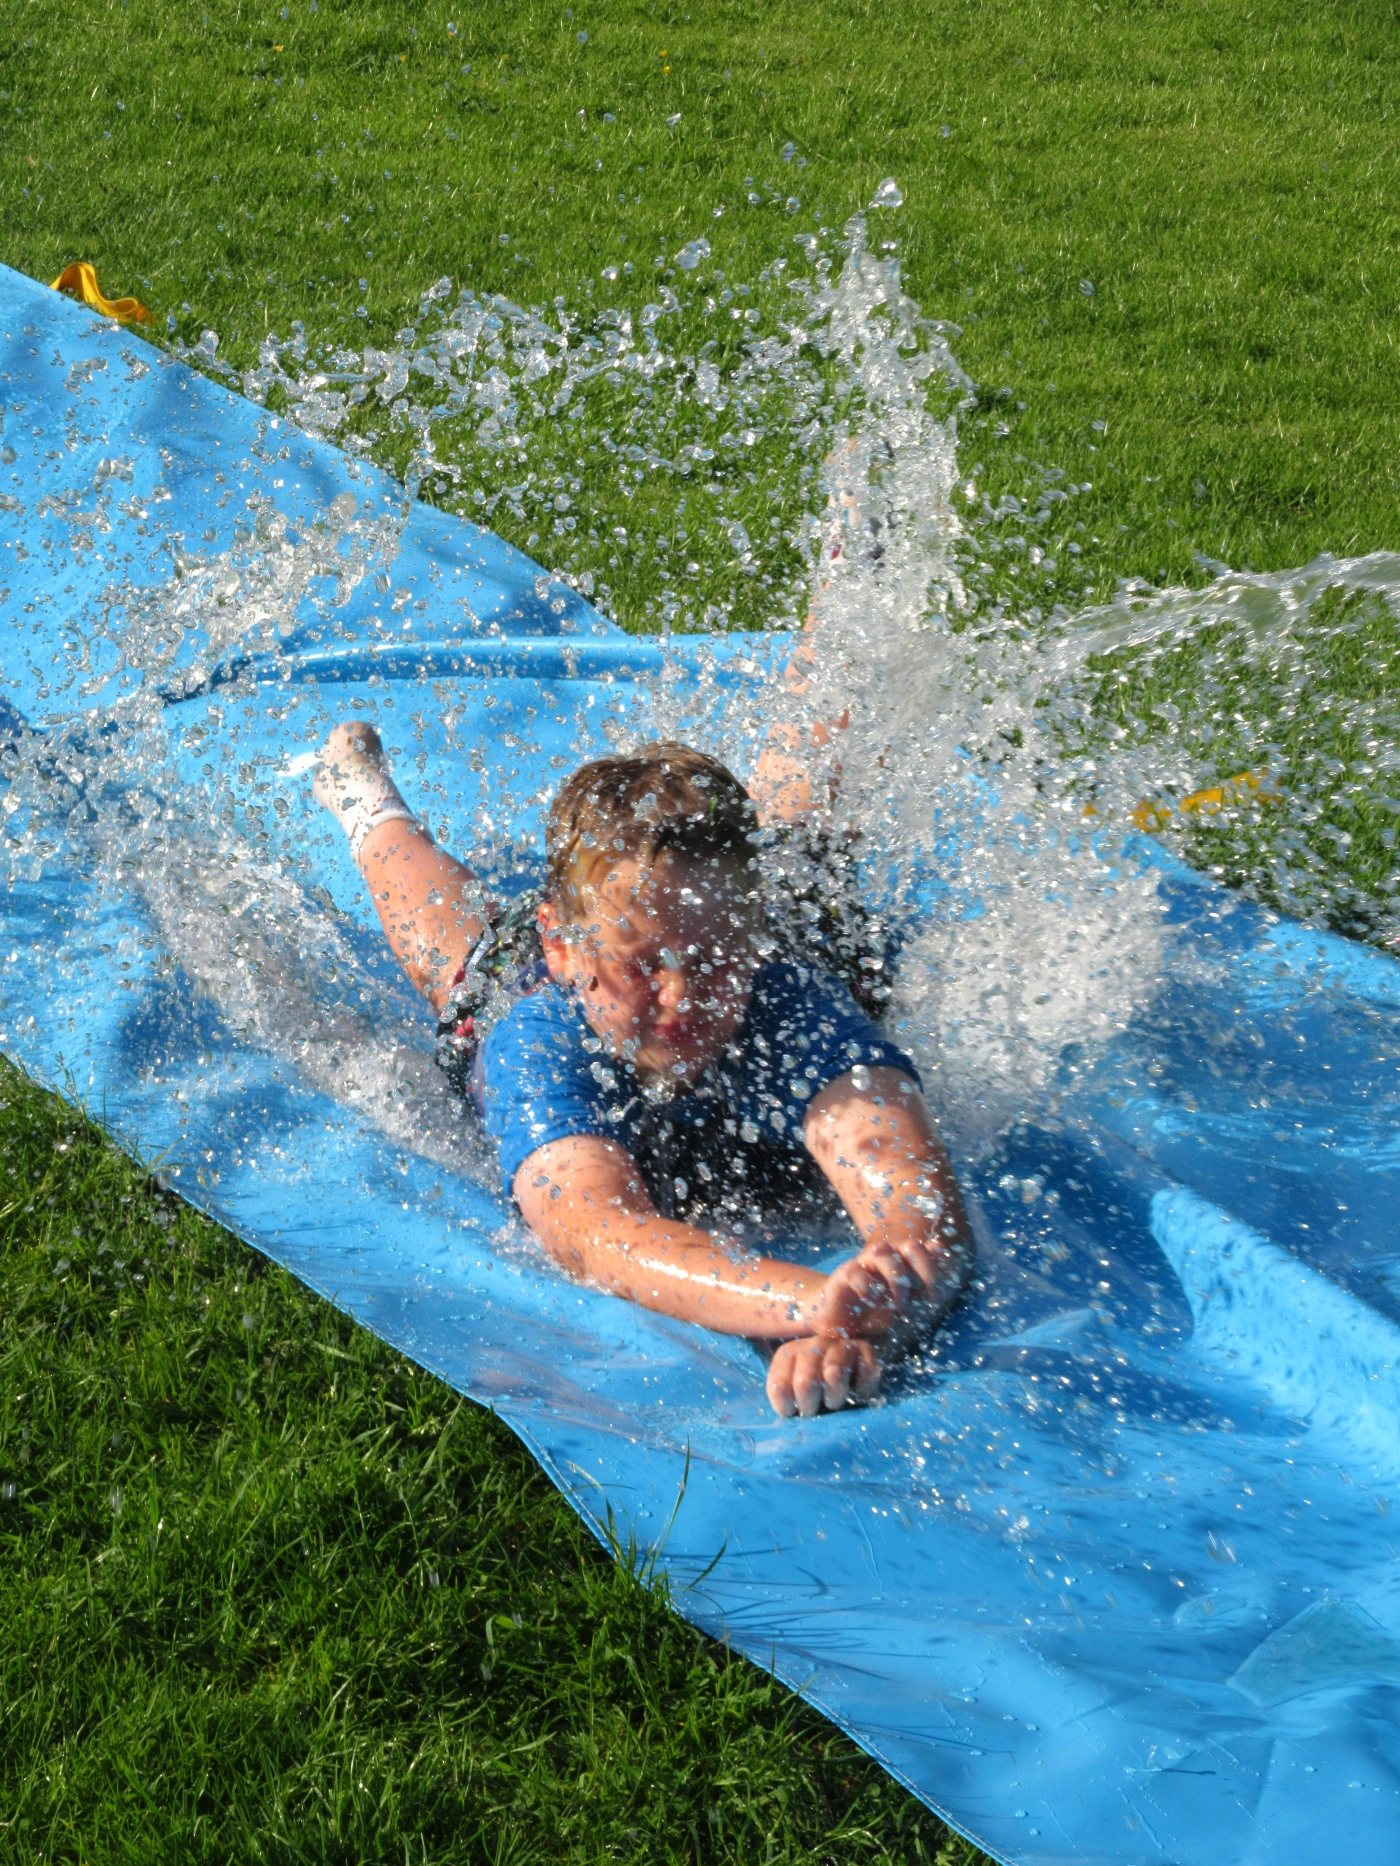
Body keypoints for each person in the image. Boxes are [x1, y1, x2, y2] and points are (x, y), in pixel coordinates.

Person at [312, 471, 971, 1419]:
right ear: (569, 948)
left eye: (715, 962)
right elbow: (599, 1235)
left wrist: (880, 1297)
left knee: (795, 837)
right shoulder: (542, 1035)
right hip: (526, 974)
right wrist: (808, 1302)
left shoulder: (783, 993)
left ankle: (843, 609)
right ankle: (365, 800)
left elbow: (916, 1202)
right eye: (645, 967)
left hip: (725, 911)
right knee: (452, 955)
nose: (683, 996)